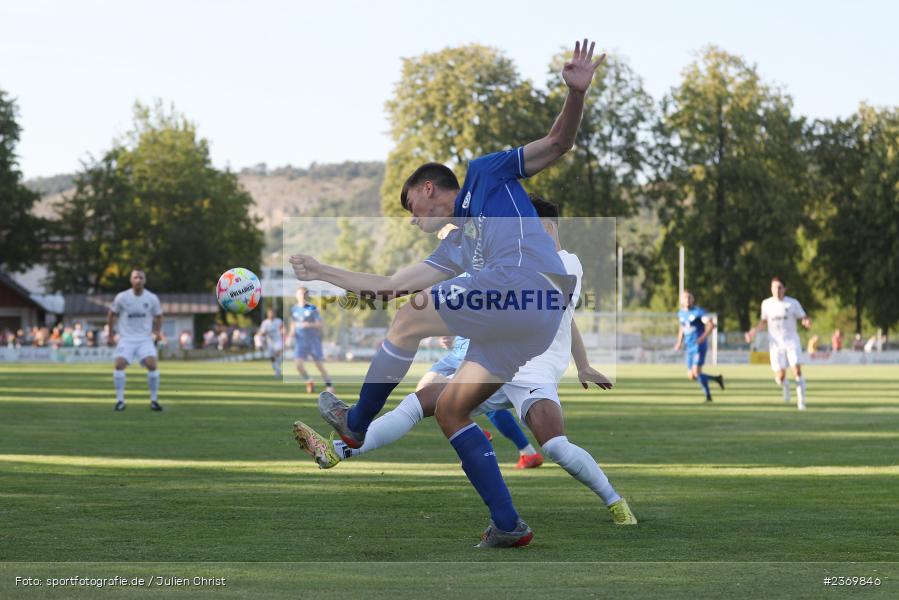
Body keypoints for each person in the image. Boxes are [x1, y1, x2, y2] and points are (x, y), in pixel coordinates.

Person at [290, 39, 605, 547]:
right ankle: (509, 525)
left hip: (525, 292)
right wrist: (323, 270)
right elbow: (391, 287)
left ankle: (354, 427)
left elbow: (556, 144)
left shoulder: (486, 172)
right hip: (530, 324)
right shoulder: (460, 244)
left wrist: (576, 94)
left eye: (412, 206)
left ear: (430, 189)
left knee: (412, 318)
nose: (414, 219)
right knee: (451, 409)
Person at [293, 194, 636, 527]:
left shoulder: (564, 262)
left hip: (532, 370)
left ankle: (615, 501)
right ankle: (337, 450)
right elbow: (562, 315)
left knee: (557, 447)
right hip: (492, 364)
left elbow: (546, 307)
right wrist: (583, 364)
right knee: (418, 402)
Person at [422, 334, 544, 469]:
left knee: (432, 395)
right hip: (466, 350)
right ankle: (528, 452)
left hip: (474, 351)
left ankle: (476, 437)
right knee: (486, 401)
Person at [745, 277, 811, 410]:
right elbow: (763, 322)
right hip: (775, 344)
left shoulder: (792, 303)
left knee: (796, 370)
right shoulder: (766, 304)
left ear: (785, 289)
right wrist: (753, 331)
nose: (777, 290)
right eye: (774, 287)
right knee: (780, 377)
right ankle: (786, 386)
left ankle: (801, 402)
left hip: (792, 341)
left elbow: (803, 317)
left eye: (780, 287)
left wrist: (806, 321)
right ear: (771, 289)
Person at [107, 269, 163, 411]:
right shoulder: (122, 297)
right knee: (119, 364)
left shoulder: (151, 298)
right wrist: (110, 334)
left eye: (141, 277)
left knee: (152, 365)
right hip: (126, 338)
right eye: (135, 277)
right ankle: (120, 401)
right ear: (131, 280)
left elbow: (159, 315)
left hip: (145, 339)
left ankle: (154, 401)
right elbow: (111, 314)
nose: (138, 280)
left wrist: (157, 331)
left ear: (145, 280)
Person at [673, 291, 724, 402]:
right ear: (681, 300)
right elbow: (682, 328)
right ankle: (716, 379)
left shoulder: (698, 312)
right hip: (689, 347)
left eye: (689, 297)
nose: (687, 299)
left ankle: (708, 396)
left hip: (698, 346)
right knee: (691, 375)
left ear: (693, 299)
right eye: (685, 297)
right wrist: (679, 342)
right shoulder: (681, 313)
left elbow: (711, 324)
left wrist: (703, 337)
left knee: (696, 372)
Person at [290, 287, 334, 393]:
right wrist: (290, 334)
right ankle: (309, 380)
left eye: (303, 294)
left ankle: (329, 385)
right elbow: (293, 323)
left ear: (306, 295)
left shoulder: (312, 308)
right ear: (296, 295)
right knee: (298, 365)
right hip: (300, 341)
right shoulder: (294, 309)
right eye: (299, 294)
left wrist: (309, 324)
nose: (301, 296)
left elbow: (320, 324)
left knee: (319, 365)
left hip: (313, 341)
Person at [259, 307, 286, 377]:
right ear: (268, 314)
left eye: (272, 313)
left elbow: (282, 328)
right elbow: (261, 333)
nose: (271, 315)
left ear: (275, 314)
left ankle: (277, 369)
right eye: (270, 314)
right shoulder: (265, 323)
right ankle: (276, 367)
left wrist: (283, 331)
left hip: (278, 340)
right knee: (271, 357)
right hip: (270, 342)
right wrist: (264, 333)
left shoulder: (278, 321)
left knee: (278, 352)